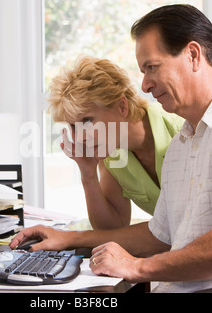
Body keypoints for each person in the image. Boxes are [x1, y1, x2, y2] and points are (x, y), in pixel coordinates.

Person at [11, 4, 212, 292]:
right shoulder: (183, 143)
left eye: (152, 67)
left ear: (193, 55)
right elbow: (158, 236)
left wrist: (137, 267)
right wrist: (69, 239)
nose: (145, 85)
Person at [47, 56, 184, 229]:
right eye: (73, 126)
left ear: (121, 106)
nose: (80, 137)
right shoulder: (111, 156)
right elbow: (112, 229)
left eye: (88, 120)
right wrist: (88, 176)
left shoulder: (181, 130)